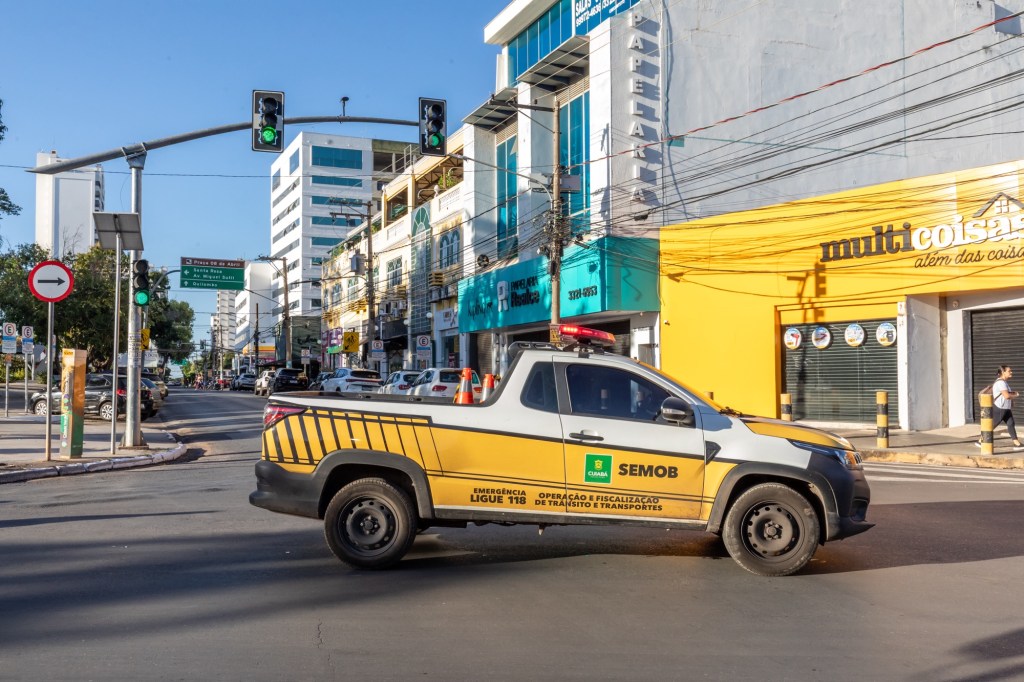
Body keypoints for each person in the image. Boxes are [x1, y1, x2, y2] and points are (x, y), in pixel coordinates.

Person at [979, 365, 1022, 450]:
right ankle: (981, 440)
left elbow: (1006, 394)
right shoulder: (1000, 383)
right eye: (1009, 371)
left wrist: (1011, 401)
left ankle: (1017, 443)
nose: (1011, 372)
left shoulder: (1004, 382)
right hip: (1000, 408)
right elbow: (1006, 396)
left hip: (1005, 408)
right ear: (1003, 372)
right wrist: (1015, 395)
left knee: (1011, 424)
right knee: (992, 425)